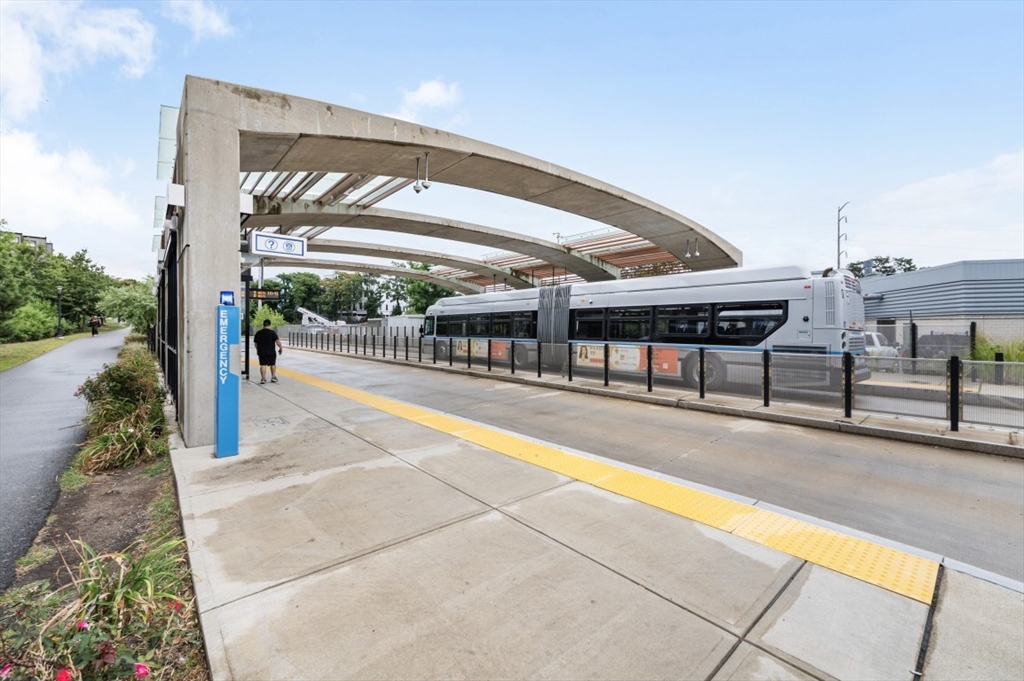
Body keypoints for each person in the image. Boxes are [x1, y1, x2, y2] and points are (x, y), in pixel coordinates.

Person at [253, 319, 283, 384]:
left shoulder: (258, 333)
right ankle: (273, 377)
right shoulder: (272, 332)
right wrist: (280, 348)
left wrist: (257, 350)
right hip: (271, 352)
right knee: (272, 364)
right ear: (269, 324)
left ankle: (263, 379)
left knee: (263, 365)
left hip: (262, 352)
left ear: (263, 325)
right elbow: (277, 342)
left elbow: (256, 343)